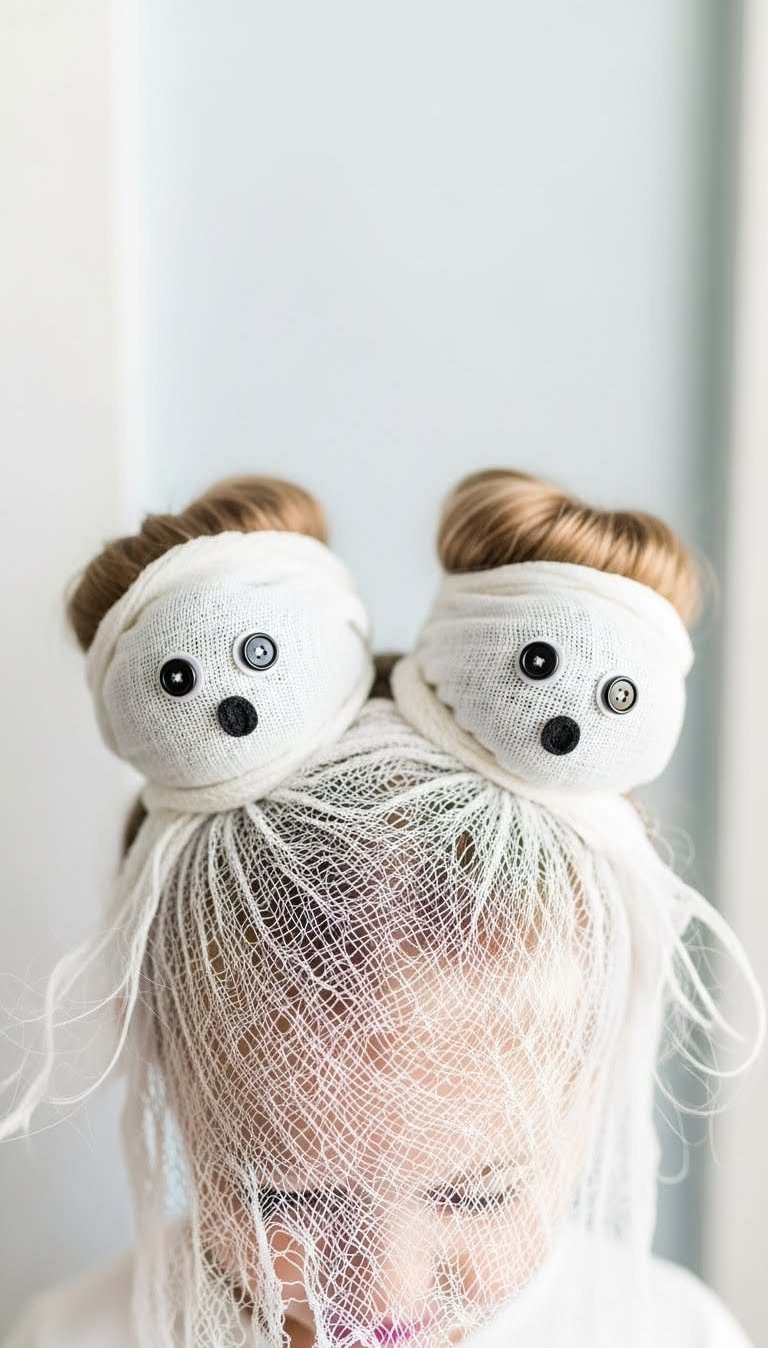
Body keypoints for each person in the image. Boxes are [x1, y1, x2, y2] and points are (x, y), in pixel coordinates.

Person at [1, 470, 762, 1347]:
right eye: (288, 1198)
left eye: (476, 1193)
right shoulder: (70, 1338)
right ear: (169, 1074)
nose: (382, 1291)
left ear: (589, 1092)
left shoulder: (674, 1334)